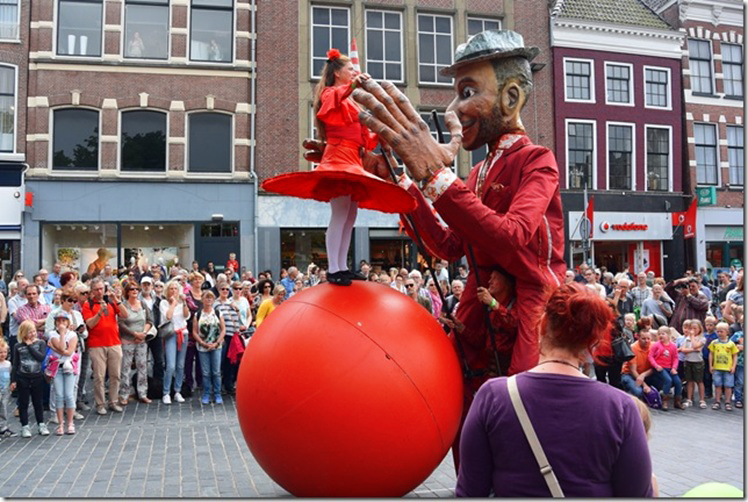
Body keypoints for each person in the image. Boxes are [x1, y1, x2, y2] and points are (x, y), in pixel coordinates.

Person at [455, 283, 652, 497]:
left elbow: (470, 492)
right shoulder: (621, 408)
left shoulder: (493, 396)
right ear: (594, 342)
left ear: (542, 324)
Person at [263, 49, 416, 286]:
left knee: (350, 213)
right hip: (339, 156)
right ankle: (334, 268)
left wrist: (382, 134)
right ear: (337, 72)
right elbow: (333, 102)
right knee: (341, 212)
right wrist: (354, 85)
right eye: (349, 69)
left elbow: (363, 138)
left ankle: (342, 266)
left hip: (353, 158)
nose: (354, 72)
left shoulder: (350, 100)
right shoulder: (330, 93)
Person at [83, 277, 128, 415]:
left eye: (101, 289)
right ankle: (100, 404)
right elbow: (90, 324)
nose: (99, 292)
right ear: (92, 291)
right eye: (96, 289)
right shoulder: (87, 305)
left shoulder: (111, 301)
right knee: (99, 376)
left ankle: (113, 401)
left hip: (114, 342)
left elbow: (125, 315)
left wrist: (117, 300)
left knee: (115, 375)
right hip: (97, 344)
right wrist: (99, 312)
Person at [11, 320, 49, 437]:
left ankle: (41, 424)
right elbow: (15, 364)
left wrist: (30, 346)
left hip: (37, 376)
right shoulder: (18, 346)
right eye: (29, 332)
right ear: (23, 334)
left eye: (34, 331)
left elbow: (41, 358)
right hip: (23, 377)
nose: (32, 334)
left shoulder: (41, 343)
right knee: (23, 403)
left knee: (38, 402)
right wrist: (13, 380)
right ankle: (25, 426)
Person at [117, 280, 153, 405]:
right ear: (127, 292)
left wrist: (143, 333)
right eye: (132, 289)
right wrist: (134, 334)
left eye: (136, 289)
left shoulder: (142, 304)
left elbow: (149, 320)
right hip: (127, 340)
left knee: (142, 366)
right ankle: (124, 394)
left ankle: (142, 393)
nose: (135, 291)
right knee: (125, 368)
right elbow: (120, 323)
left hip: (141, 340)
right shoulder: (124, 305)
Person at [47, 312, 78, 435]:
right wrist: (62, 335)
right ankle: (61, 424)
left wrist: (54, 349)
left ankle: (70, 423)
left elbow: (68, 352)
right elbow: (61, 346)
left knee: (69, 395)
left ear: (68, 322)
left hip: (69, 367)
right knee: (59, 395)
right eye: (59, 321)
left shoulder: (73, 335)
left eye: (64, 321)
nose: (61, 324)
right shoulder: (52, 334)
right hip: (57, 368)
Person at [160, 280, 190, 404]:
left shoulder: (182, 302)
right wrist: (173, 303)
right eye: (171, 289)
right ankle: (166, 392)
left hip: (183, 334)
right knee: (171, 365)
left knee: (180, 365)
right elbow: (168, 316)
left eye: (175, 289)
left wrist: (183, 303)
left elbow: (187, 315)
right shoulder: (164, 303)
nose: (173, 291)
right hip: (171, 335)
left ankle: (177, 390)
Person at [193, 290, 225, 405]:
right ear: (202, 300)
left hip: (216, 346)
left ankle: (217, 393)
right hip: (203, 347)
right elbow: (195, 331)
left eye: (211, 298)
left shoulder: (217, 312)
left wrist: (217, 343)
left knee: (216, 371)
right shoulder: (198, 314)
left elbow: (223, 329)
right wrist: (202, 343)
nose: (209, 300)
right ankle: (206, 393)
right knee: (206, 372)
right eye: (206, 298)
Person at [648, 325, 683, 411]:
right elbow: (650, 356)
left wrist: (674, 368)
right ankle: (665, 401)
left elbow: (675, 358)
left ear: (668, 335)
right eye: (659, 334)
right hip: (660, 368)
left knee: (678, 382)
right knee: (668, 380)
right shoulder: (656, 345)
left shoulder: (673, 346)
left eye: (663, 334)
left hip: (670, 368)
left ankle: (677, 401)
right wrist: (656, 365)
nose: (660, 336)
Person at [708, 322, 738, 411]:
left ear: (727, 332)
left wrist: (733, 366)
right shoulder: (714, 343)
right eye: (718, 332)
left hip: (728, 368)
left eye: (721, 331)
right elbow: (711, 354)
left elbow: (735, 355)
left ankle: (727, 402)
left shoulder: (731, 344)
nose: (719, 333)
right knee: (718, 385)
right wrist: (711, 365)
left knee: (728, 386)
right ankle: (717, 401)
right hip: (717, 368)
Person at [620, 324, 655, 399]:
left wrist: (643, 375)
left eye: (648, 339)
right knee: (638, 392)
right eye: (643, 339)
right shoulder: (633, 348)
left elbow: (655, 366)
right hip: (629, 374)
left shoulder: (653, 346)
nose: (646, 341)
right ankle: (626, 388)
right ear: (638, 338)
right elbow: (633, 371)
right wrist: (644, 385)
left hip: (645, 374)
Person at [680, 319, 706, 409]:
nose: (692, 330)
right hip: (688, 361)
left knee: (699, 381)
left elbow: (696, 345)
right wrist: (694, 350)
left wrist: (692, 339)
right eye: (691, 328)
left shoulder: (702, 338)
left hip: (698, 362)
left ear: (700, 329)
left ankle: (702, 399)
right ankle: (689, 399)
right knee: (689, 381)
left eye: (695, 328)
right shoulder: (686, 339)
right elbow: (683, 349)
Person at [0, 338, 15, 438]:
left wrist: (12, 384)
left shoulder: (8, 364)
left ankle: (3, 426)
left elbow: (11, 375)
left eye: (5, 352)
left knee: (4, 407)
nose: (3, 354)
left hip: (5, 389)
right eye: (0, 352)